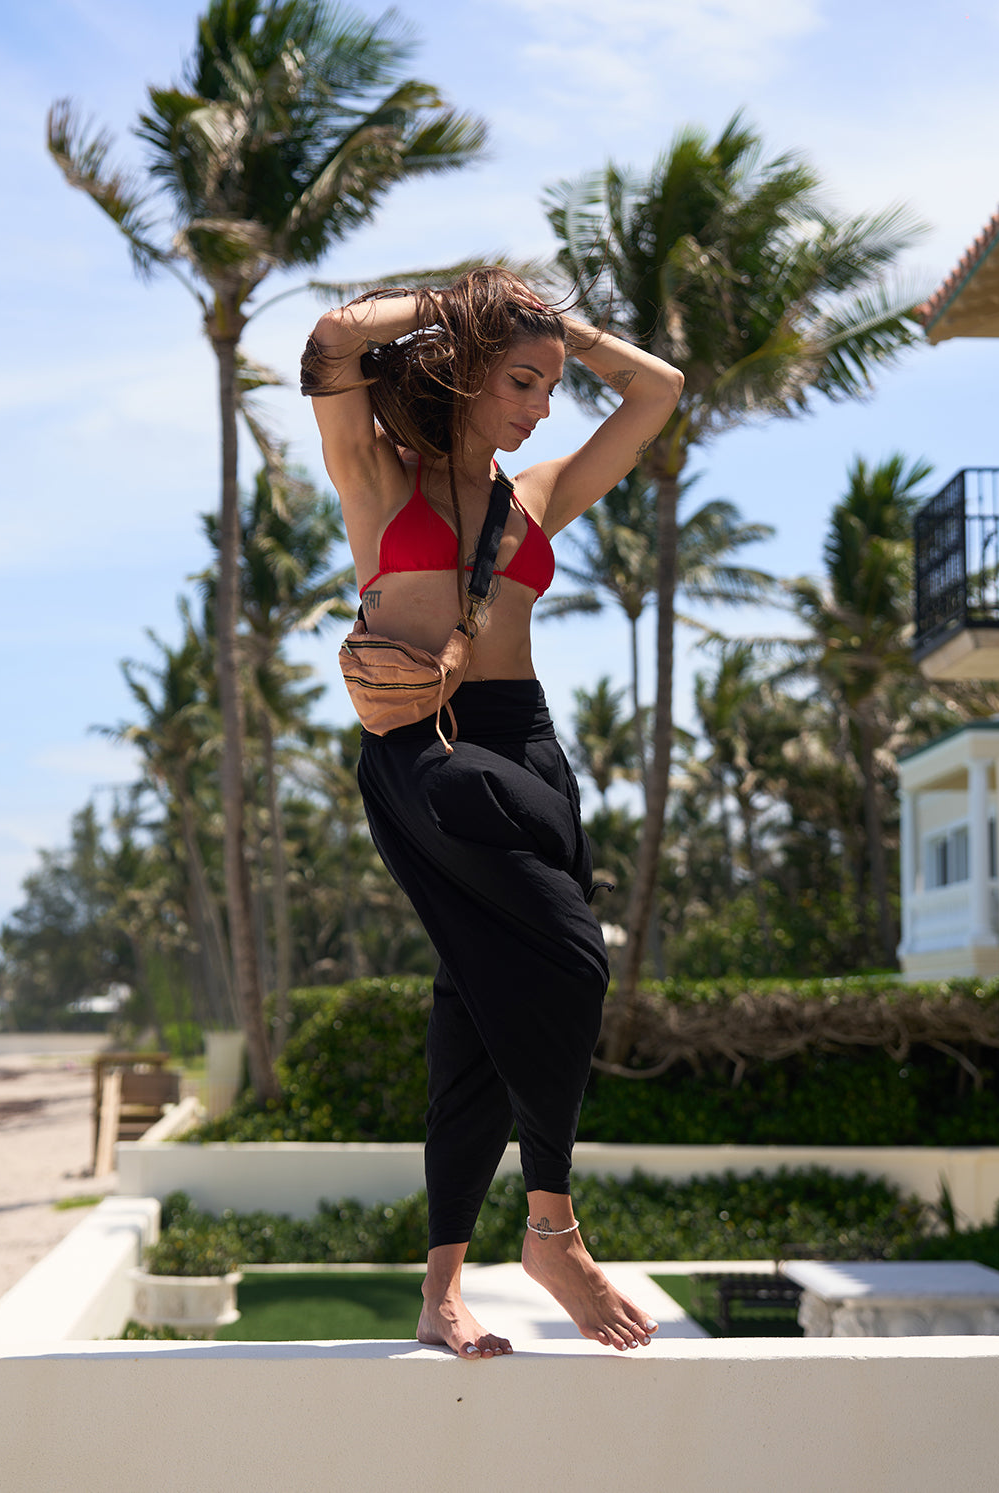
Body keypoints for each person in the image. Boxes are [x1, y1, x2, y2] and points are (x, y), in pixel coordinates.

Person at [301, 268, 684, 1357]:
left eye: (551, 387)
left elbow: (657, 391)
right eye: (522, 380)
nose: (541, 405)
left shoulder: (537, 495)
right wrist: (467, 305)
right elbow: (333, 339)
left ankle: (439, 1293)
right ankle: (552, 1227)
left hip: (531, 749)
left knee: (470, 1016)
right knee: (571, 958)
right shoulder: (378, 475)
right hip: (430, 752)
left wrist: (558, 329)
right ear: (466, 370)